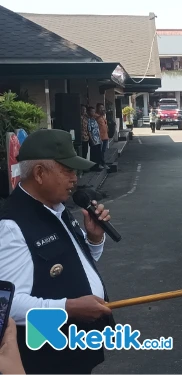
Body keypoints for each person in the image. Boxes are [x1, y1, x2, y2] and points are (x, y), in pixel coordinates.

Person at [0, 128, 115, 375]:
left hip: (75, 351)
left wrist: (94, 239)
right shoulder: (12, 225)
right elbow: (6, 304)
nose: (75, 178)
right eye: (68, 170)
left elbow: (74, 264)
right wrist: (69, 308)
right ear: (40, 173)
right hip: (46, 359)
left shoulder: (57, 208)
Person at [87, 106, 102, 171]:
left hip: (98, 139)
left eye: (93, 111)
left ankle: (98, 165)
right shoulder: (88, 120)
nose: (93, 113)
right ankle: (94, 167)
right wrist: (92, 140)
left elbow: (97, 130)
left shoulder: (94, 120)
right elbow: (89, 131)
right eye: (91, 111)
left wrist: (100, 138)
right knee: (94, 154)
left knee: (98, 154)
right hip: (93, 139)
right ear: (88, 112)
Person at [95, 103, 109, 169]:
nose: (102, 109)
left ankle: (102, 162)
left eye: (102, 107)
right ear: (97, 108)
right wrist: (100, 115)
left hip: (105, 136)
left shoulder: (103, 116)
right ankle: (102, 163)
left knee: (103, 150)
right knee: (99, 151)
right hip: (99, 136)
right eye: (100, 108)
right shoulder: (96, 115)